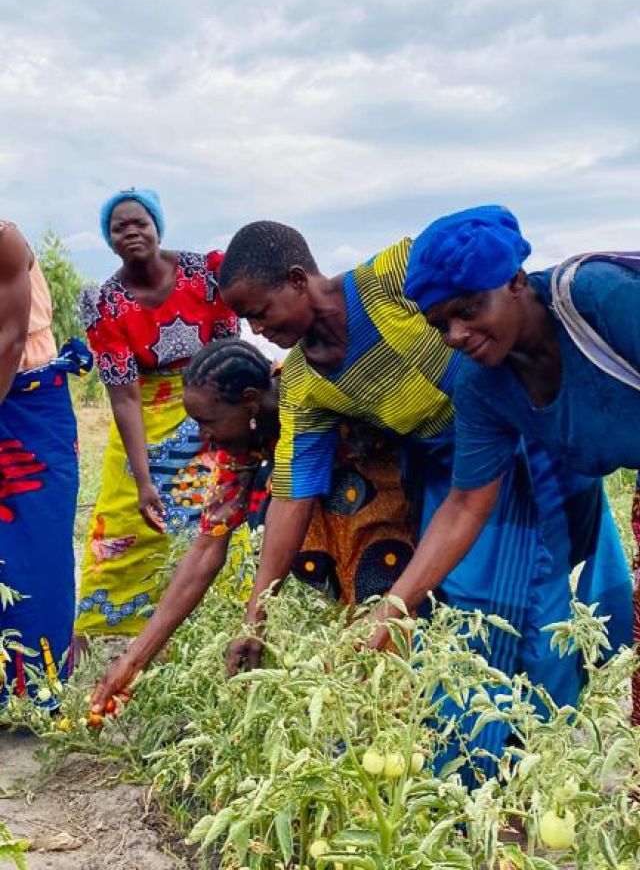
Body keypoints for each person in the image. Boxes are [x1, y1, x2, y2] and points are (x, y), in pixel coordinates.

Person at [217, 221, 630, 775]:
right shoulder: (304, 384)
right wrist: (256, 615)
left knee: (538, 610)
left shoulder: (393, 278)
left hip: (536, 456)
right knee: (458, 612)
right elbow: (292, 495)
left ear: (297, 280)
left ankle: (540, 762)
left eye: (261, 311)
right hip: (462, 477)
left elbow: (478, 297)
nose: (257, 328)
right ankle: (476, 765)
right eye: (249, 319)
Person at [90, 339, 419, 710]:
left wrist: (255, 621)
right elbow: (206, 550)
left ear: (249, 401)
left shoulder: (311, 391)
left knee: (397, 626)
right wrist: (134, 660)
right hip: (347, 535)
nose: (204, 437)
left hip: (400, 512)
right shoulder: (242, 443)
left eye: (208, 422)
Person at [403, 203, 638, 718]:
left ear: (513, 280)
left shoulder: (599, 298)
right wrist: (395, 608)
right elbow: (466, 505)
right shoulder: (484, 387)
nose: (457, 335)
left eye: (467, 311)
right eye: (440, 324)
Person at [75, 189, 239, 639]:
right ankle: (108, 633)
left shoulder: (205, 275)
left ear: (157, 226)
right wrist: (144, 478)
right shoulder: (106, 302)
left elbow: (229, 350)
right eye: (118, 227)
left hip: (209, 408)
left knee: (211, 514)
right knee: (125, 518)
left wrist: (230, 426)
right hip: (143, 417)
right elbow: (124, 396)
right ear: (108, 241)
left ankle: (207, 627)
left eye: (139, 223)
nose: (130, 232)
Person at [0, 221, 90, 696]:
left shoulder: (3, 238)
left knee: (36, 546)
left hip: (27, 408)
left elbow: (11, 339)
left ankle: (37, 688)